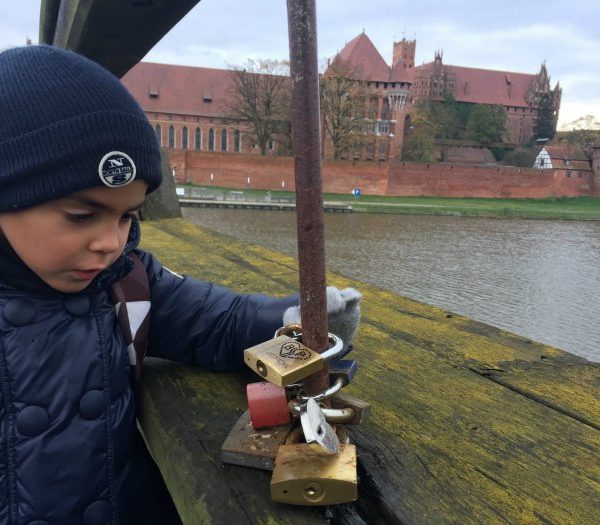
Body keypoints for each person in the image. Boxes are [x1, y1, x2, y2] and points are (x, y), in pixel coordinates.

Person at [0, 45, 362, 524]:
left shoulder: (124, 280)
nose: (110, 242)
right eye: (81, 215)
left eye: (127, 216)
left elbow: (214, 320)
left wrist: (293, 320)